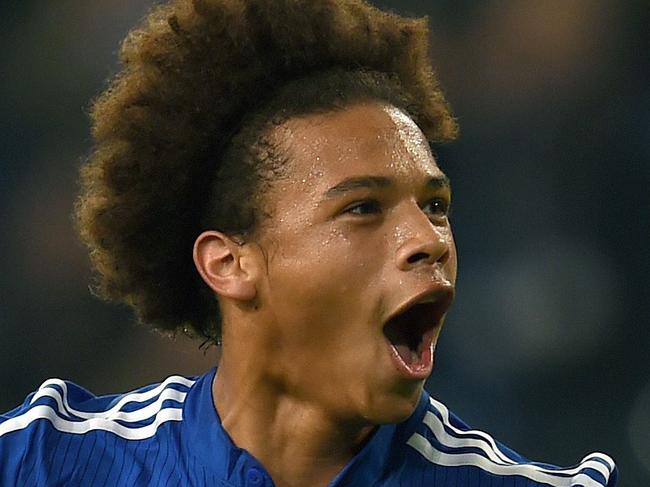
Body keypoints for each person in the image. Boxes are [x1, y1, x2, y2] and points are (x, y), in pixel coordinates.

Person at [0, 0, 617, 486]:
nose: (428, 240)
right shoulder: (40, 463)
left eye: (435, 206)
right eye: (362, 209)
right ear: (230, 262)